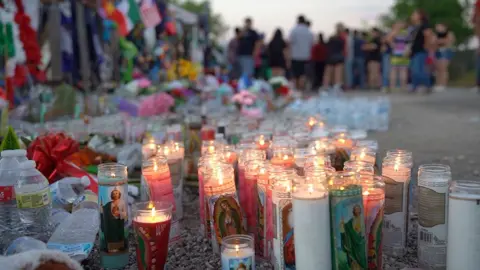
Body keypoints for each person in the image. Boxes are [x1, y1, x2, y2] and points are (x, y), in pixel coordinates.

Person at [408, 9, 436, 93]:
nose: (412, 16)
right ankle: (415, 86)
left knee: (419, 69)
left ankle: (427, 85)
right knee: (413, 69)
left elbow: (428, 35)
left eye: (414, 14)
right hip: (414, 51)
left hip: (421, 50)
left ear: (420, 16)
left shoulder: (424, 26)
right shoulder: (414, 27)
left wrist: (426, 46)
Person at [289, 15, 314, 90]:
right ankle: (301, 88)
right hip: (306, 56)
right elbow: (311, 43)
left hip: (295, 55)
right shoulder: (309, 31)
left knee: (295, 74)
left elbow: (290, 42)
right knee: (303, 74)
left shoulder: (294, 30)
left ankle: (296, 89)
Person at [386, 21, 410, 91]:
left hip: (396, 53)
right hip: (404, 53)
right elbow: (408, 43)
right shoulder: (406, 32)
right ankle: (403, 87)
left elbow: (388, 39)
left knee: (394, 70)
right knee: (403, 70)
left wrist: (392, 44)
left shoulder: (394, 32)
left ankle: (392, 87)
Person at [323, 24, 345, 91]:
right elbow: (344, 48)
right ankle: (337, 87)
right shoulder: (343, 38)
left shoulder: (331, 37)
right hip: (338, 56)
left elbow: (327, 47)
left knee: (328, 72)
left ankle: (326, 86)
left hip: (330, 56)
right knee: (338, 72)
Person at [434, 23, 455, 92]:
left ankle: (443, 84)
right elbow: (434, 42)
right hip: (438, 52)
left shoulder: (449, 33)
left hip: (446, 51)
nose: (438, 28)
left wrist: (440, 41)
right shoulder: (436, 35)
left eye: (439, 26)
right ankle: (438, 84)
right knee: (438, 69)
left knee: (443, 69)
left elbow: (449, 41)